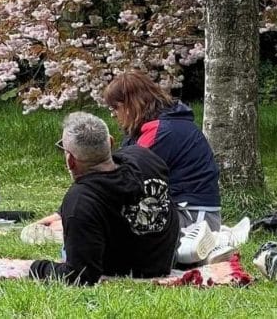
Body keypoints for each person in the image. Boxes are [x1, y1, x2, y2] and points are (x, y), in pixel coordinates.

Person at [103, 71, 250, 263]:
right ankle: (211, 242)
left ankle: (213, 243)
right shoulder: (159, 126)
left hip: (192, 216)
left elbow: (127, 180)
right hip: (194, 211)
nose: (113, 114)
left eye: (115, 107)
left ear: (131, 105)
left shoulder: (158, 132)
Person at [30, 112, 178, 285]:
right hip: (164, 260)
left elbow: (80, 275)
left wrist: (38, 267)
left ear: (71, 160)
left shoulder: (80, 200)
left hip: (121, 269)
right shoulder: (146, 158)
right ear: (111, 142)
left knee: (68, 243)